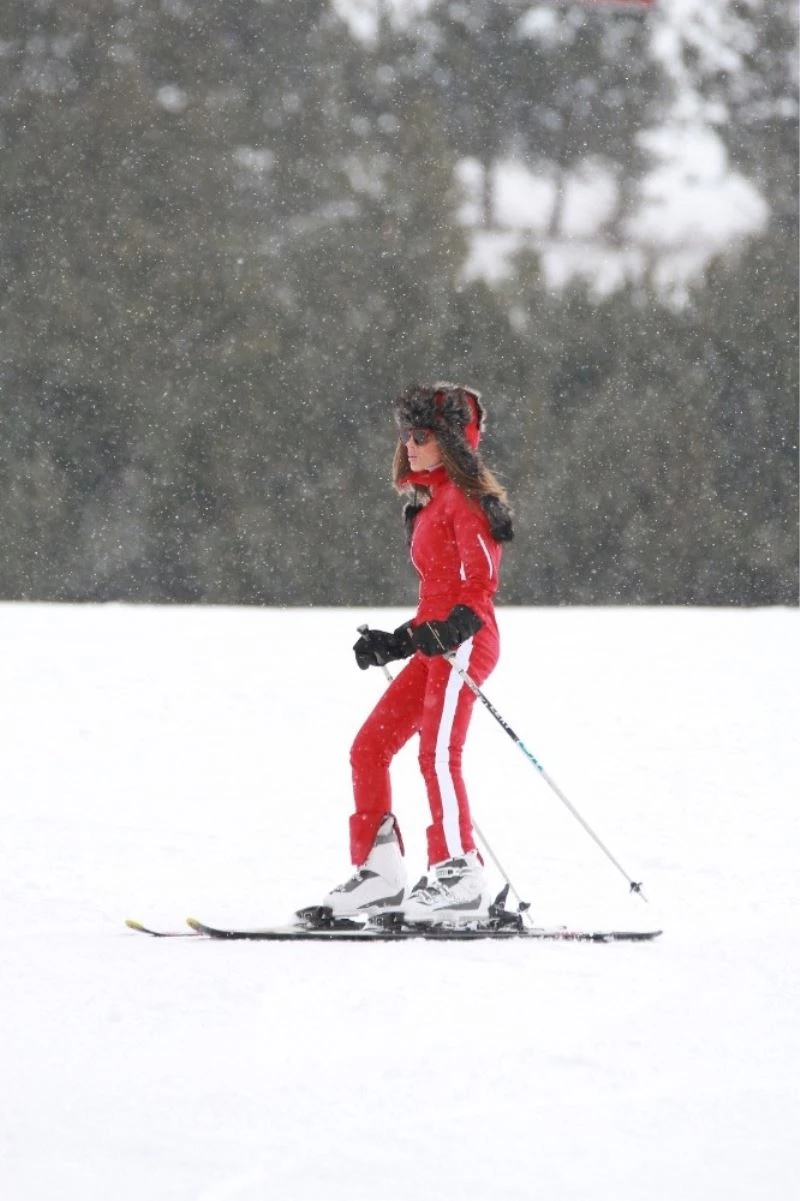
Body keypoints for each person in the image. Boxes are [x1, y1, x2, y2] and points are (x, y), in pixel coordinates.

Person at [322, 382, 513, 923]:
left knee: (435, 754)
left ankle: (458, 873)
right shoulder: (431, 506)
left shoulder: (468, 501)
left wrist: (451, 631)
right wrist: (398, 640)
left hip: (468, 642)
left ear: (450, 440)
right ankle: (379, 877)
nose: (409, 444)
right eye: (406, 435)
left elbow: (479, 587)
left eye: (422, 435)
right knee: (370, 747)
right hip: (439, 643)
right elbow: (434, 599)